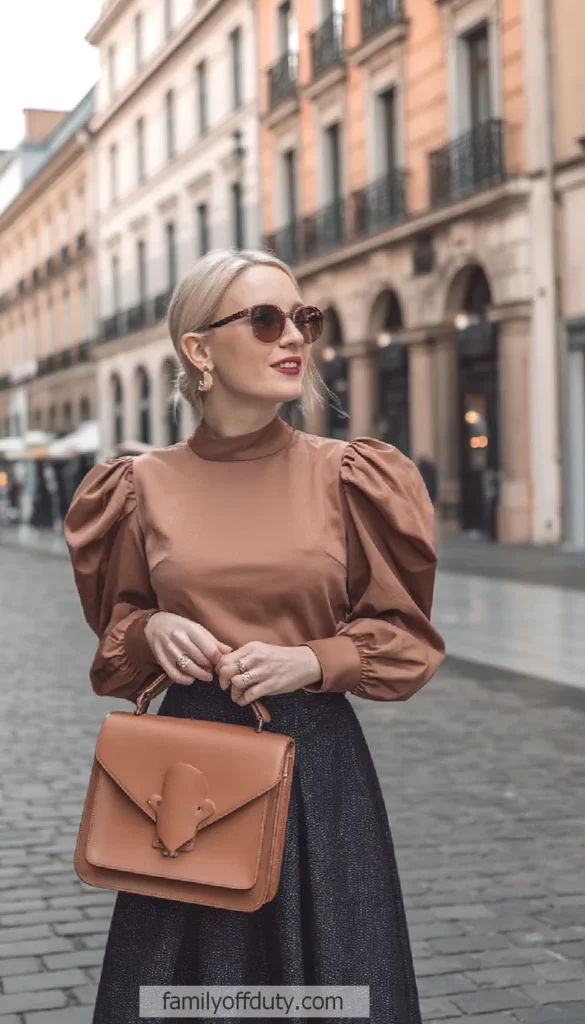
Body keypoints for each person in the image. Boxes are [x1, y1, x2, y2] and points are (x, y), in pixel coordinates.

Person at [64, 249, 446, 1024]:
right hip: (185, 776)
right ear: (197, 349)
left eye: (303, 318)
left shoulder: (351, 475)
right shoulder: (136, 487)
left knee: (334, 984)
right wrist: (152, 630)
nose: (294, 337)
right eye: (266, 318)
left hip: (317, 772)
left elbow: (406, 639)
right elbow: (113, 650)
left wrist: (313, 658)